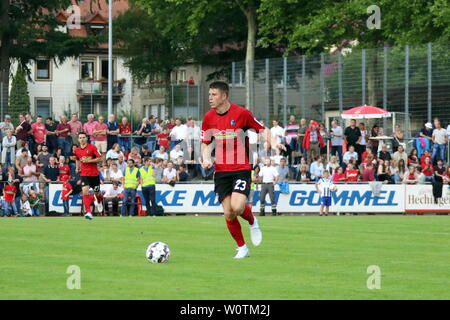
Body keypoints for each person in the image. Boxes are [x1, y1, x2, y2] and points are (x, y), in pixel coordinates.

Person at [201, 81, 269, 259]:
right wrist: (206, 158)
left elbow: (262, 129)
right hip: (221, 171)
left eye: (214, 94)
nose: (210, 98)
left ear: (224, 96)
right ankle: (242, 248)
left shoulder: (242, 113)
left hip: (241, 167)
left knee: (237, 207)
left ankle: (253, 221)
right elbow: (205, 142)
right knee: (229, 212)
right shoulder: (208, 117)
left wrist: (275, 142)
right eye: (209, 94)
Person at [74, 132, 103, 220]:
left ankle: (99, 200)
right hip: (84, 174)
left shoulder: (92, 147)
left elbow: (100, 158)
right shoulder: (77, 150)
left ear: (86, 138)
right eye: (80, 138)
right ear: (78, 139)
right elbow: (77, 159)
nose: (82, 139)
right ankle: (88, 212)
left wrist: (89, 161)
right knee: (85, 192)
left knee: (97, 192)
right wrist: (77, 167)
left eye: (83, 137)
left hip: (94, 175)